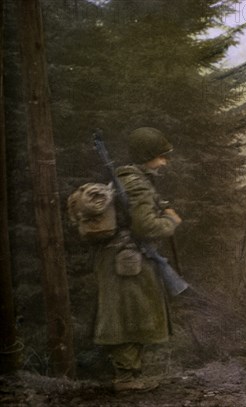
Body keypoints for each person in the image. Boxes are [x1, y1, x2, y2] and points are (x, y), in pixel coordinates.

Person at [92, 127, 182, 392]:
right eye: (160, 156)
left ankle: (130, 374)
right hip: (127, 260)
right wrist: (170, 221)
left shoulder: (130, 180)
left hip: (124, 258)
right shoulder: (137, 183)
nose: (164, 162)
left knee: (131, 312)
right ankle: (126, 379)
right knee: (130, 314)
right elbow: (145, 227)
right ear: (147, 156)